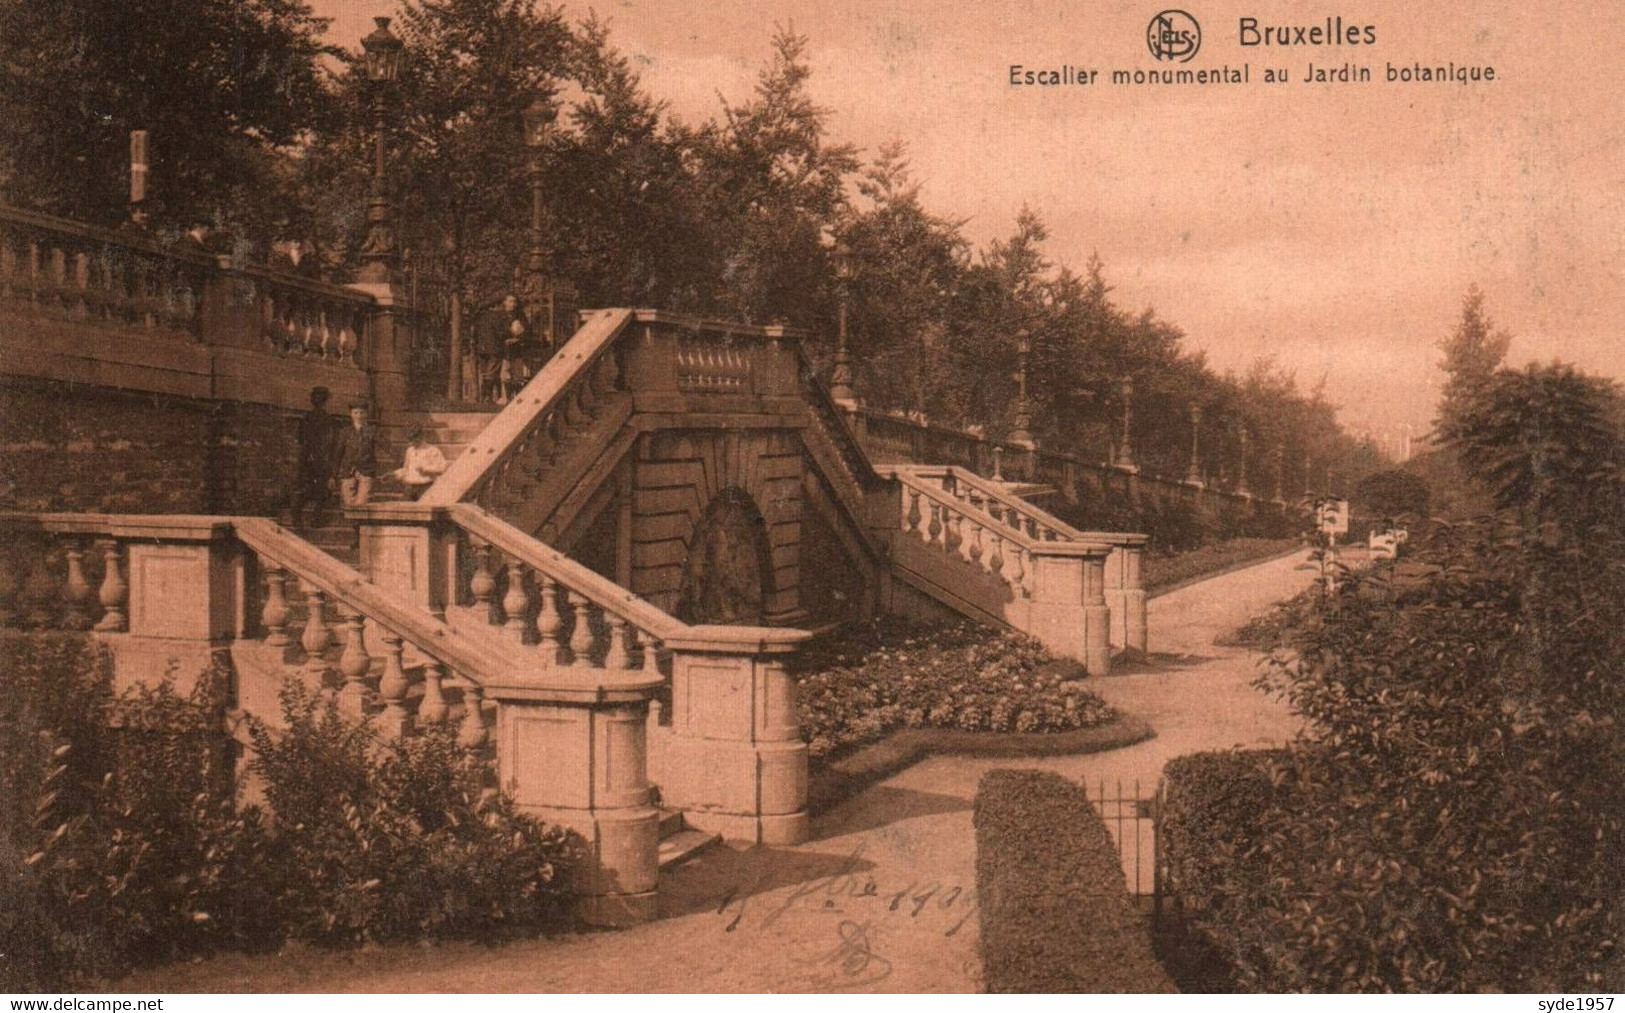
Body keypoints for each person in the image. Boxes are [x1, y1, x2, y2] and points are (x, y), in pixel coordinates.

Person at [289, 386, 334, 528]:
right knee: (320, 490)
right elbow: (330, 440)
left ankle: (299, 516)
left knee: (309, 488)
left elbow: (300, 439)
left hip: (308, 457)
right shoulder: (327, 419)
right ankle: (313, 518)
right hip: (319, 458)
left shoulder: (306, 418)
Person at [333, 401, 378, 510]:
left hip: (366, 471)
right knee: (348, 503)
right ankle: (355, 526)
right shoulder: (345, 432)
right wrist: (333, 474)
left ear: (366, 414)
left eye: (362, 413)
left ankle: (359, 525)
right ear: (351, 414)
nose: (359, 416)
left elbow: (387, 446)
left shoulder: (372, 431)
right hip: (348, 471)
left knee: (362, 504)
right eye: (355, 413)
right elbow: (338, 454)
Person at [391, 425, 447, 501]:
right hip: (409, 488)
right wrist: (397, 474)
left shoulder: (432, 450)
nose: (411, 443)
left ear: (421, 436)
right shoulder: (409, 450)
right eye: (410, 440)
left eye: (414, 439)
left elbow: (442, 469)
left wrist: (426, 470)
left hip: (425, 487)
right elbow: (406, 468)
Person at [472, 296, 511, 403]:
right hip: (495, 349)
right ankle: (487, 397)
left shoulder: (481, 318)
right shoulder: (498, 317)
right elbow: (501, 333)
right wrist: (512, 332)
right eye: (500, 305)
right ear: (495, 306)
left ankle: (485, 397)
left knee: (485, 373)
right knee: (492, 373)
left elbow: (474, 334)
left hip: (482, 349)